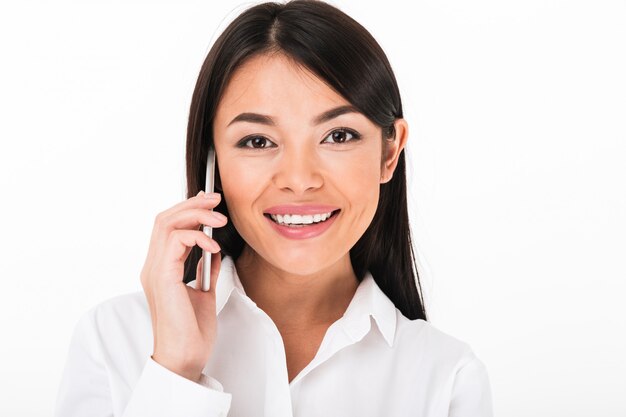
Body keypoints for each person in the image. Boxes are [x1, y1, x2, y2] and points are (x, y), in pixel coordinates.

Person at [54, 1, 493, 416]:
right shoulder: (114, 340)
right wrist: (174, 372)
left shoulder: (447, 377)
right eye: (258, 141)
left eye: (337, 136)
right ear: (214, 162)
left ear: (389, 153)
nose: (299, 179)